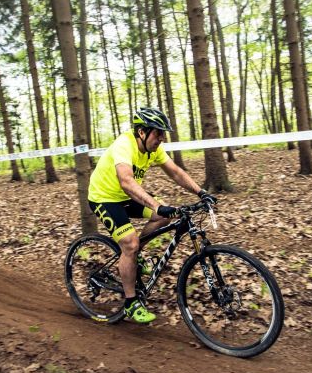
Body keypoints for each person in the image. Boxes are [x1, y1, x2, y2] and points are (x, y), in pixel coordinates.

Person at [87, 107, 217, 323]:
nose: (161, 138)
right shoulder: (124, 145)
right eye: (158, 133)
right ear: (142, 132)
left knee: (164, 217)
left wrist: (201, 192)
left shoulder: (154, 148)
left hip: (126, 197)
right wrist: (156, 205)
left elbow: (175, 171)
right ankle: (130, 303)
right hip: (104, 197)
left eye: (163, 134)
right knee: (129, 243)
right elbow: (126, 181)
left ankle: (134, 258)